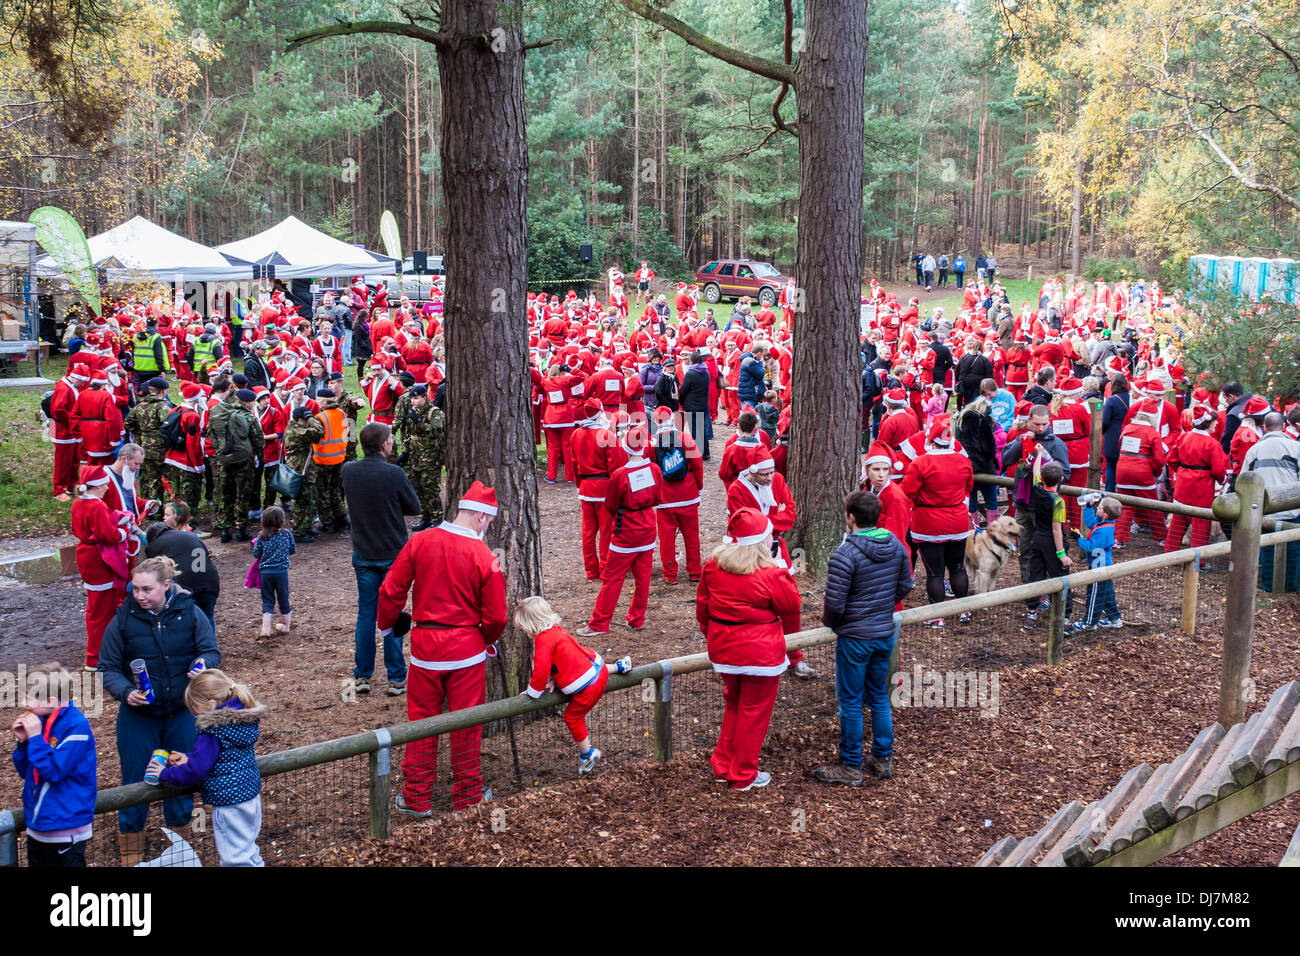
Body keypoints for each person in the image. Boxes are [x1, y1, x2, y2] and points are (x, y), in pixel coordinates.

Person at [377, 481, 507, 814]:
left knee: (422, 722)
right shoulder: (484, 556)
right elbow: (496, 616)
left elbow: (391, 590)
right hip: (467, 651)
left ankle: (417, 797)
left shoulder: (420, 541)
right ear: (481, 517)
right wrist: (486, 639)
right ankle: (467, 796)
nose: (486, 528)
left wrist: (388, 624)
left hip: (426, 649)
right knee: (468, 723)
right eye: (488, 523)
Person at [99, 555, 220, 866]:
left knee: (181, 775)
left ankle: (181, 847)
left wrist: (203, 664)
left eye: (147, 590)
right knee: (134, 781)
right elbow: (108, 667)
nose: (139, 596)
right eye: (135, 589)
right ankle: (131, 852)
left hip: (181, 711)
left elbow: (210, 649)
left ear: (166, 586)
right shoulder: (123, 619)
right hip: (138, 717)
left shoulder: (190, 612)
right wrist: (125, 692)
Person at [696, 507, 802, 791]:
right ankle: (743, 774)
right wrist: (783, 571)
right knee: (754, 711)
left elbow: (703, 607)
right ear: (762, 541)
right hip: (760, 653)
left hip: (723, 650)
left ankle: (723, 763)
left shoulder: (714, 565)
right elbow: (791, 606)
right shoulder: (771, 573)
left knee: (734, 703)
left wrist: (712, 637)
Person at [814, 491, 915, 785]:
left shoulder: (845, 554)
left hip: (855, 637)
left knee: (851, 701)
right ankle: (883, 758)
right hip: (884, 633)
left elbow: (834, 604)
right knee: (879, 696)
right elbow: (906, 585)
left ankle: (851, 765)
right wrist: (882, 606)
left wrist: (835, 624)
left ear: (851, 517)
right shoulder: (895, 545)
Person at [158, 669, 267, 867]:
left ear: (211, 705)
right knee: (249, 851)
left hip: (229, 805)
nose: (194, 715)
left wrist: (164, 773)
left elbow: (196, 771)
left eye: (196, 709)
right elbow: (221, 757)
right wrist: (189, 758)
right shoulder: (242, 720)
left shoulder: (213, 731)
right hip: (250, 798)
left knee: (235, 859)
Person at [342, 423, 421, 695]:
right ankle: (396, 677)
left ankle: (362, 675)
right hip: (393, 555)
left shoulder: (349, 470)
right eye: (390, 439)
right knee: (392, 613)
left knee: (366, 613)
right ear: (384, 444)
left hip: (363, 552)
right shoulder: (394, 473)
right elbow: (414, 507)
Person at [515, 596, 633, 775]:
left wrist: (533, 693)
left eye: (523, 628)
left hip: (588, 686)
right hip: (598, 668)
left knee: (572, 717)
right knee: (593, 666)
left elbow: (540, 670)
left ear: (530, 624)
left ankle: (588, 753)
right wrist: (555, 678)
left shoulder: (543, 641)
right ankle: (620, 666)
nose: (523, 632)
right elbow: (565, 659)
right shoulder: (556, 630)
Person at [10, 661, 97, 867]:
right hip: (39, 825)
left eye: (28, 698)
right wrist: (23, 743)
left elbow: (54, 772)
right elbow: (27, 772)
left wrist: (36, 739)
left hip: (65, 828)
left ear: (50, 700)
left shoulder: (76, 727)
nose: (23, 703)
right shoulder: (42, 721)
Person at [578, 428, 663, 636]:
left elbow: (611, 504)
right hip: (648, 527)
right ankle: (637, 619)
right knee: (642, 578)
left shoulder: (620, 474)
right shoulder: (654, 470)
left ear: (625, 448)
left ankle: (599, 623)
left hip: (626, 529)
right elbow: (658, 498)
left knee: (613, 578)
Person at [902, 416, 974, 626]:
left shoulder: (921, 462)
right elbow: (969, 486)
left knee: (934, 572)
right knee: (957, 567)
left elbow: (908, 490)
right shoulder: (963, 461)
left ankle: (937, 616)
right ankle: (963, 611)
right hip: (957, 521)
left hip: (928, 523)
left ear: (931, 441)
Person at [72, 464, 139, 670]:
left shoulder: (78, 504)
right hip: (100, 561)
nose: (107, 489)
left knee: (95, 609)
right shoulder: (97, 506)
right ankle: (98, 658)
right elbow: (108, 535)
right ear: (98, 486)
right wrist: (124, 532)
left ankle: (97, 656)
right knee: (103, 610)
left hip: (86, 558)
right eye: (104, 485)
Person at [1001, 405, 1073, 583]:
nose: (1040, 428)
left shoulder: (1056, 444)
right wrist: (1021, 444)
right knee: (1025, 549)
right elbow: (1005, 460)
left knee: (1047, 549)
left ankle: (1048, 589)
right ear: (1029, 422)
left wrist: (1041, 468)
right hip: (1023, 503)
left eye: (1044, 424)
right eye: (1036, 424)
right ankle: (1029, 587)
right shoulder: (1022, 439)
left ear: (1050, 422)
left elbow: (1066, 474)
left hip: (1044, 507)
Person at [571, 398, 626, 580]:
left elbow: (573, 463)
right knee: (605, 530)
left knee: (588, 531)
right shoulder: (606, 435)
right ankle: (605, 567)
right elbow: (615, 466)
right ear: (600, 412)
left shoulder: (576, 434)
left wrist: (580, 485)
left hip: (586, 488)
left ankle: (591, 569)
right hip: (603, 488)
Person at [1164, 404, 1227, 557]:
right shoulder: (1212, 444)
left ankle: (1168, 554)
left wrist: (1182, 471)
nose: (1216, 424)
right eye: (1214, 421)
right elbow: (1218, 470)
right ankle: (1199, 561)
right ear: (1207, 423)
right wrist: (1223, 479)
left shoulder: (1183, 437)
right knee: (1200, 525)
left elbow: (1171, 459)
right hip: (1202, 488)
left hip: (1182, 484)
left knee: (1178, 522)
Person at [653, 406, 704, 584]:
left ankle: (670, 573)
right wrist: (699, 488)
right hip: (688, 493)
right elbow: (697, 464)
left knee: (666, 538)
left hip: (665, 497)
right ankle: (695, 571)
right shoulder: (685, 437)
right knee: (691, 535)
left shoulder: (652, 442)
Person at [206, 388, 264, 543]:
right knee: (242, 495)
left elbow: (211, 435)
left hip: (224, 461)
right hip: (244, 462)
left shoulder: (222, 415)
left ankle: (225, 530)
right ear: (245, 402)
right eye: (252, 401)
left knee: (225, 494)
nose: (254, 403)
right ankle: (241, 530)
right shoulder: (248, 418)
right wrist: (260, 459)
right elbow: (258, 441)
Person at [144, 519, 219, 632]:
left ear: (151, 538)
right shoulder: (190, 535)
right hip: (209, 581)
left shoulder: (153, 546)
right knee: (207, 617)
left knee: (182, 622)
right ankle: (210, 647)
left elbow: (155, 574)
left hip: (184, 586)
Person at [1024, 460, 1073, 622]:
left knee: (1036, 574)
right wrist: (1061, 554)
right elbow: (1056, 529)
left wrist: (1038, 455)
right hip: (1052, 542)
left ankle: (1032, 610)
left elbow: (1036, 472)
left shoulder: (1037, 488)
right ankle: (1064, 616)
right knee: (1060, 576)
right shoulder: (1058, 502)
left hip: (1037, 538)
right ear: (1061, 480)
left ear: (1043, 479)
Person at [1114, 406, 1168, 547]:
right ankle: (1162, 537)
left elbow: (1120, 447)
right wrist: (1155, 473)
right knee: (1152, 505)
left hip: (1122, 471)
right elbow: (1159, 459)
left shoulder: (1127, 428)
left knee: (1125, 506)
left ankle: (1119, 539)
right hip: (1142, 473)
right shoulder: (1152, 432)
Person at [1072, 493, 1123, 630]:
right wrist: (1088, 507)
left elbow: (1091, 547)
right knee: (1106, 594)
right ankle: (1115, 619)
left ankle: (1090, 622)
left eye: (1099, 508)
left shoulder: (1103, 532)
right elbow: (1091, 523)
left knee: (1094, 595)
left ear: (1105, 514)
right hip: (1103, 566)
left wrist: (1079, 538)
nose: (1097, 509)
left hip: (1098, 568)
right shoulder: (1104, 523)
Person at [401, 384, 447, 532]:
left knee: (430, 488)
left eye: (416, 398)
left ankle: (437, 519)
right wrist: (405, 452)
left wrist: (419, 423)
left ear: (424, 397)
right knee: (417, 487)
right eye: (412, 399)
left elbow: (437, 432)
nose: (413, 402)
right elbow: (409, 434)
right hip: (415, 457)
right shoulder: (414, 411)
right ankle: (426, 517)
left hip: (430, 457)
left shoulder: (435, 412)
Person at [1241, 412, 1300, 523]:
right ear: (1283, 426)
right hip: (1292, 511)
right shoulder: (1296, 448)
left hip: (1262, 511)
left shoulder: (1253, 450)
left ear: (1265, 427)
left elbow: (1244, 480)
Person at [123, 377, 172, 504]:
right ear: (163, 391)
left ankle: (150, 508)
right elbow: (169, 425)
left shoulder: (140, 406)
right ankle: (167, 509)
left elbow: (128, 422)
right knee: (167, 480)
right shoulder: (162, 407)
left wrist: (140, 433)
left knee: (149, 479)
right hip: (161, 449)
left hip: (143, 447)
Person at [251, 506, 295, 639]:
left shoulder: (262, 536)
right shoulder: (287, 534)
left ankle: (266, 629)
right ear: (282, 520)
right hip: (281, 573)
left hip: (266, 574)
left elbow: (256, 553)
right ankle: (286, 626)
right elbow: (292, 550)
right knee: (283, 598)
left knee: (267, 600)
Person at [956, 396, 998, 526]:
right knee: (991, 500)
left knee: (971, 501)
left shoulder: (960, 421)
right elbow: (989, 448)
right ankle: (994, 531)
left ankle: (972, 531)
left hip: (967, 467)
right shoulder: (984, 420)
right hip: (984, 467)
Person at [679, 350, 713, 460]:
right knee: (702, 429)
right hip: (703, 404)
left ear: (692, 361)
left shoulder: (691, 373)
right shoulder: (706, 372)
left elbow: (684, 389)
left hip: (691, 404)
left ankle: (698, 453)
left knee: (694, 429)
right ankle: (706, 452)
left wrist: (681, 400)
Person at [1101, 373, 1131, 492]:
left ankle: (1110, 493)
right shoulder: (1131, 398)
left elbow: (1105, 421)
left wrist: (1103, 432)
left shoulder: (1111, 401)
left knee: (1111, 466)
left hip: (1112, 436)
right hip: (1127, 435)